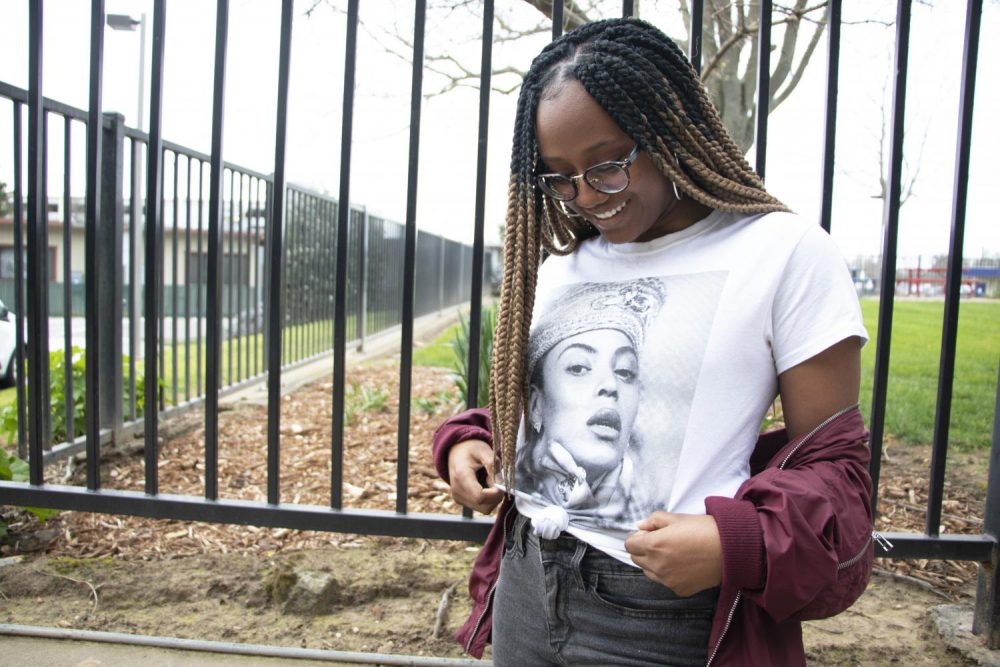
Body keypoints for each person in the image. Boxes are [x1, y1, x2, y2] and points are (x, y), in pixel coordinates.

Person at [432, 16, 873, 666]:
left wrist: (734, 542)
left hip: (662, 609)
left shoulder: (784, 253)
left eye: (607, 165)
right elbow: (536, 407)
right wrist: (471, 439)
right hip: (525, 582)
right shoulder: (560, 265)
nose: (585, 196)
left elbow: (841, 477)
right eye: (559, 177)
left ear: (671, 134)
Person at [517, 278, 665, 536]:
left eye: (625, 372)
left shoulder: (655, 504)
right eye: (578, 367)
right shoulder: (518, 475)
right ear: (536, 405)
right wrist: (463, 439)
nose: (610, 385)